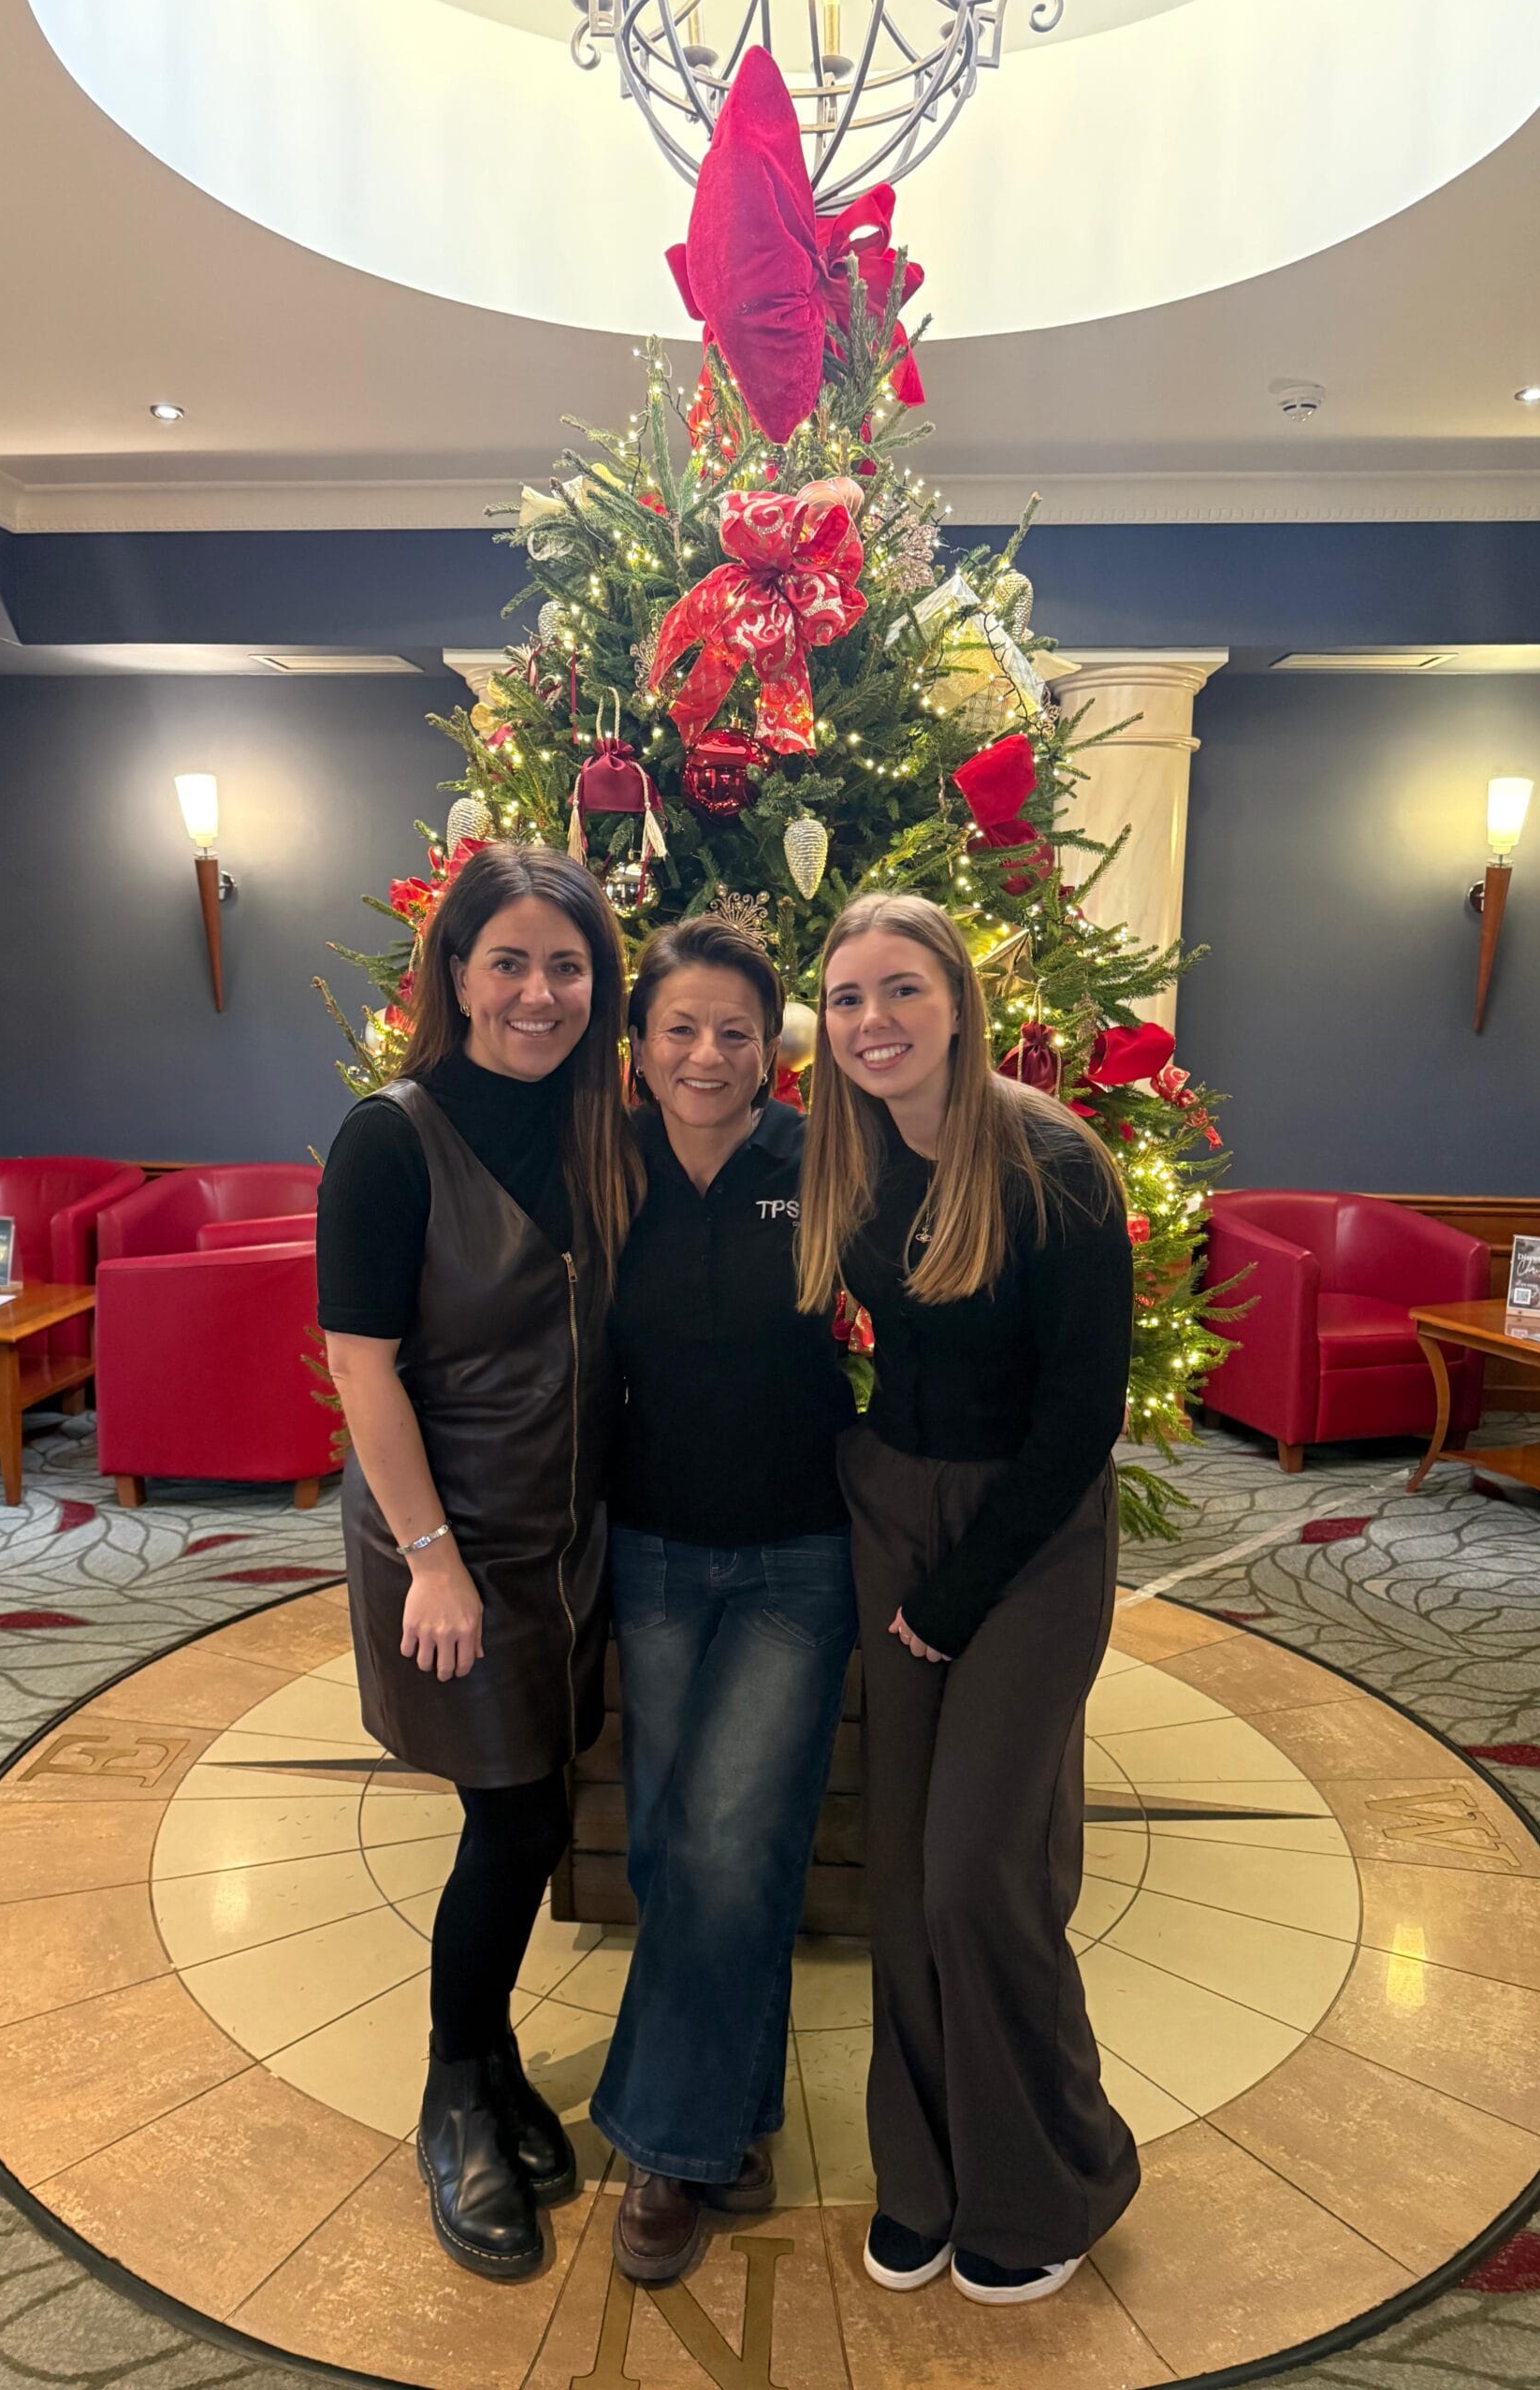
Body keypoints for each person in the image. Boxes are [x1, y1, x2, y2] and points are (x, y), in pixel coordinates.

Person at [797, 892, 1140, 2308]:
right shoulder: (847, 1155)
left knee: (985, 1872)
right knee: (904, 1876)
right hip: (899, 1507)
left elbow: (1080, 1419)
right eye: (848, 998)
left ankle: (1051, 2178)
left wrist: (954, 1593)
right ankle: (927, 2179)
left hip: (1033, 1533)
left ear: (958, 1004)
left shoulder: (1056, 1164)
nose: (872, 1023)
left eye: (901, 992)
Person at [315, 842, 637, 2283]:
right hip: (456, 1541)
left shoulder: (598, 1122)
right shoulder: (389, 1138)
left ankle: (493, 2056)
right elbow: (363, 1369)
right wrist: (432, 1561)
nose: (538, 992)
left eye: (566, 966)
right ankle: (457, 2087)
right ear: (455, 973)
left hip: (578, 1535)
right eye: (507, 961)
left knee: (540, 1801)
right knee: (510, 1819)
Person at [590, 916, 858, 2285]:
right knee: (669, 1845)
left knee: (730, 1837)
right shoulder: (603, 1170)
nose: (707, 1054)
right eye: (681, 1028)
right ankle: (736, 2114)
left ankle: (665, 2152)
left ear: (774, 1052)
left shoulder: (821, 1163)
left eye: (736, 1032)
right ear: (637, 1046)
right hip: (649, 1551)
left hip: (796, 1561)